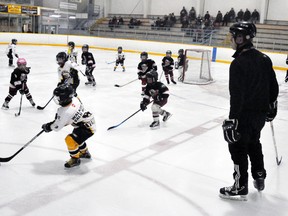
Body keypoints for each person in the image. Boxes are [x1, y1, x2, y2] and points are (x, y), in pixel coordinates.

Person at [220, 22, 279, 201]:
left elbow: (237, 96)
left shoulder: (238, 63)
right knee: (254, 142)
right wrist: (271, 107)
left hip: (244, 115)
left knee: (238, 147)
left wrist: (233, 120)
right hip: (259, 115)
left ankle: (240, 186)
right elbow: (273, 87)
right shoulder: (264, 58)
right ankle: (259, 175)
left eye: (233, 37)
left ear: (240, 38)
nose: (231, 40)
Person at [41, 84, 95, 168]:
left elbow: (57, 127)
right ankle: (85, 153)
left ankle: (75, 159)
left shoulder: (65, 112)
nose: (57, 99)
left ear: (64, 98)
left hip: (86, 128)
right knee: (77, 138)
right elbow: (67, 120)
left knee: (70, 140)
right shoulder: (75, 100)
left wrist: (48, 126)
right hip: (86, 123)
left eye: (58, 97)